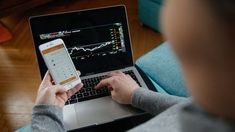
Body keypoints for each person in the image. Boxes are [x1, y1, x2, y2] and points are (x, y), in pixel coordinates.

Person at [32, 0, 235, 131]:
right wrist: (136, 95)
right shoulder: (220, 106)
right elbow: (196, 109)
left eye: (189, 56)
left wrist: (46, 113)